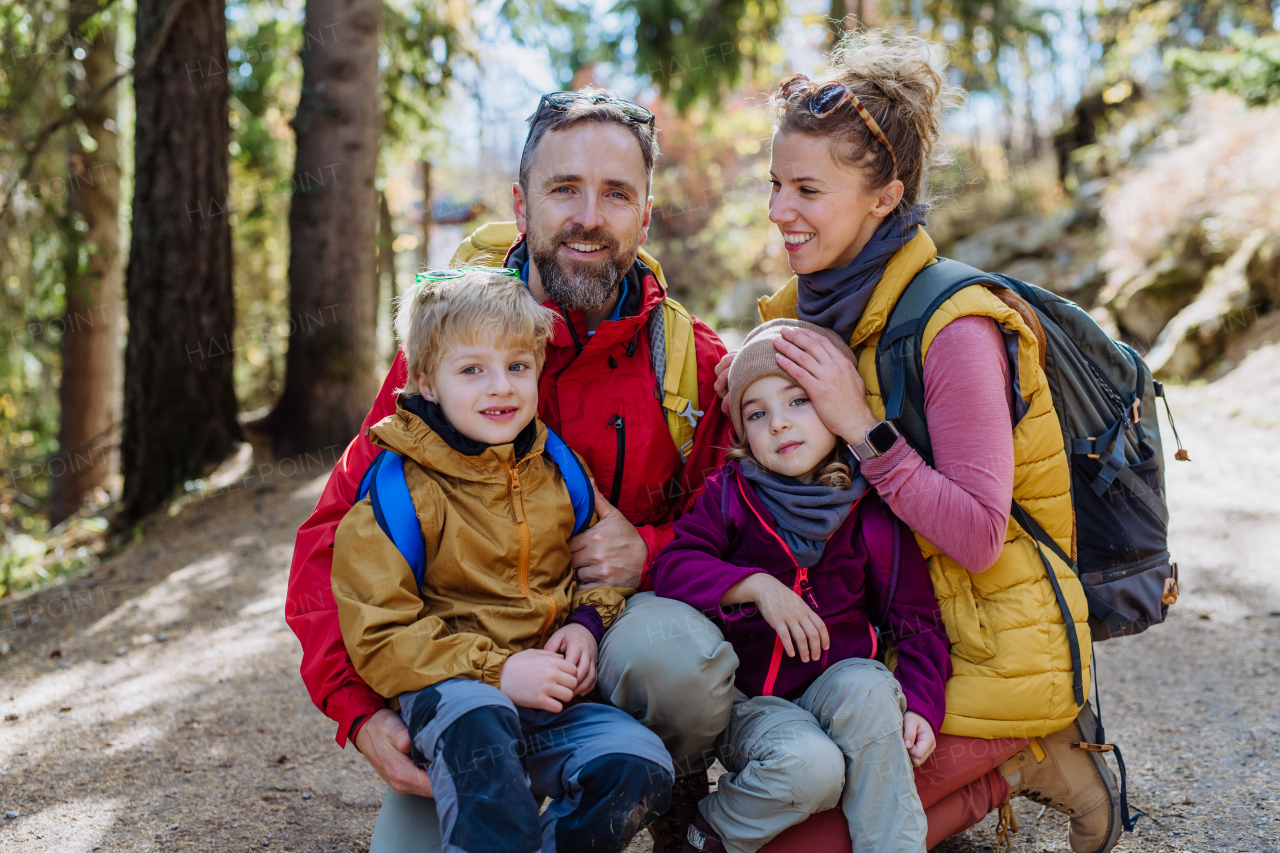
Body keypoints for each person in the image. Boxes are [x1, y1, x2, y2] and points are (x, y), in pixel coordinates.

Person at [285, 88, 738, 853]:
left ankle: (666, 793)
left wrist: (647, 550)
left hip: (598, 658)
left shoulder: (691, 364)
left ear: (645, 215)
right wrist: (359, 714)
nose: (589, 216)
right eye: (565, 189)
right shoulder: (446, 350)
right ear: (523, 205)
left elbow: (739, 531)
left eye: (615, 194)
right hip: (460, 677)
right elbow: (333, 542)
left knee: (680, 666)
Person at [714, 31, 1122, 853]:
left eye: (806, 188)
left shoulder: (954, 327)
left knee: (788, 846)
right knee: (781, 803)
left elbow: (974, 534)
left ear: (883, 196)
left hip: (990, 652)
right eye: (774, 184)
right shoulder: (822, 308)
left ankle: (1030, 758)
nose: (777, 211)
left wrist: (863, 426)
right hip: (892, 648)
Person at [331, 269, 672, 851]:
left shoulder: (557, 469)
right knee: (479, 722)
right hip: (455, 696)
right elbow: (380, 636)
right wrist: (498, 672)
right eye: (472, 370)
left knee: (640, 763)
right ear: (426, 382)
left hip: (549, 700)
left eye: (517, 366)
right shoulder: (396, 491)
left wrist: (588, 625)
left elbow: (599, 574)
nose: (501, 388)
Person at [652, 319, 951, 853]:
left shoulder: (872, 511)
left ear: (836, 408)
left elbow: (917, 622)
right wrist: (756, 585)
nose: (779, 425)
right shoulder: (730, 495)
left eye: (799, 402)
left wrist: (925, 707)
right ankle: (708, 830)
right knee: (813, 769)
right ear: (742, 432)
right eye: (757, 413)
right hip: (752, 703)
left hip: (837, 690)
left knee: (870, 685)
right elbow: (674, 566)